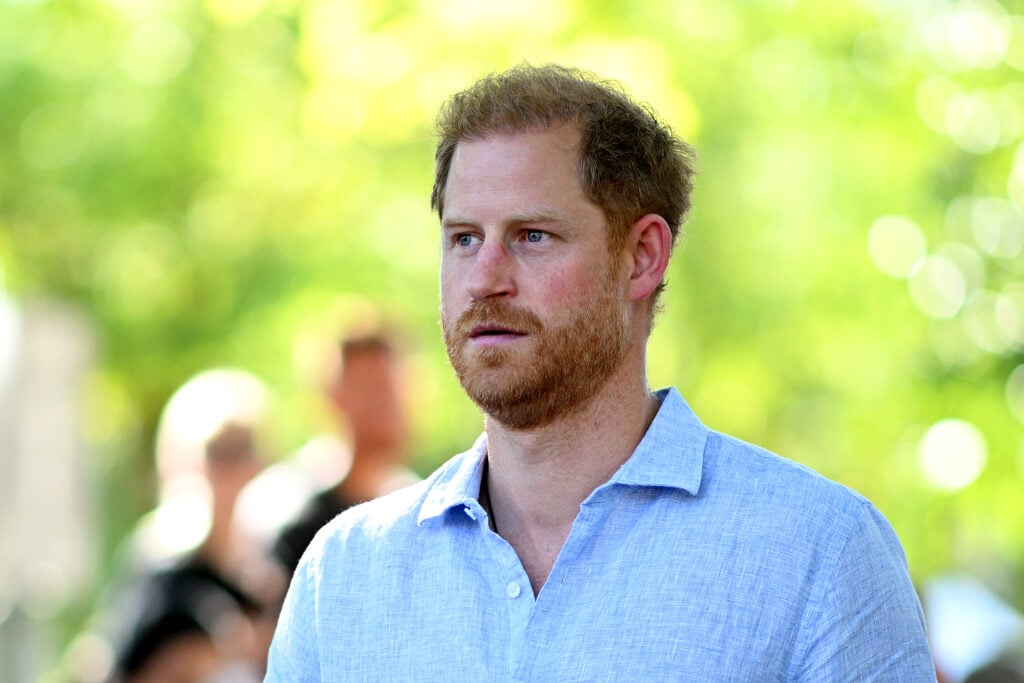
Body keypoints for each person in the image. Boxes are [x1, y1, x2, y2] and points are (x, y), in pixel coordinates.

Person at [266, 64, 936, 680]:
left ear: (642, 256)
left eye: (532, 236)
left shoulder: (817, 553)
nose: (484, 279)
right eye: (464, 237)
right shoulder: (345, 575)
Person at [92, 369, 275, 682]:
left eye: (245, 450)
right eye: (218, 453)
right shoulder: (163, 564)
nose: (232, 470)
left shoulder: (263, 566)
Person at [269, 325, 418, 578]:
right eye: (373, 388)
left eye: (396, 387)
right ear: (335, 398)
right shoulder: (301, 527)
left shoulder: (420, 510)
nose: (390, 403)